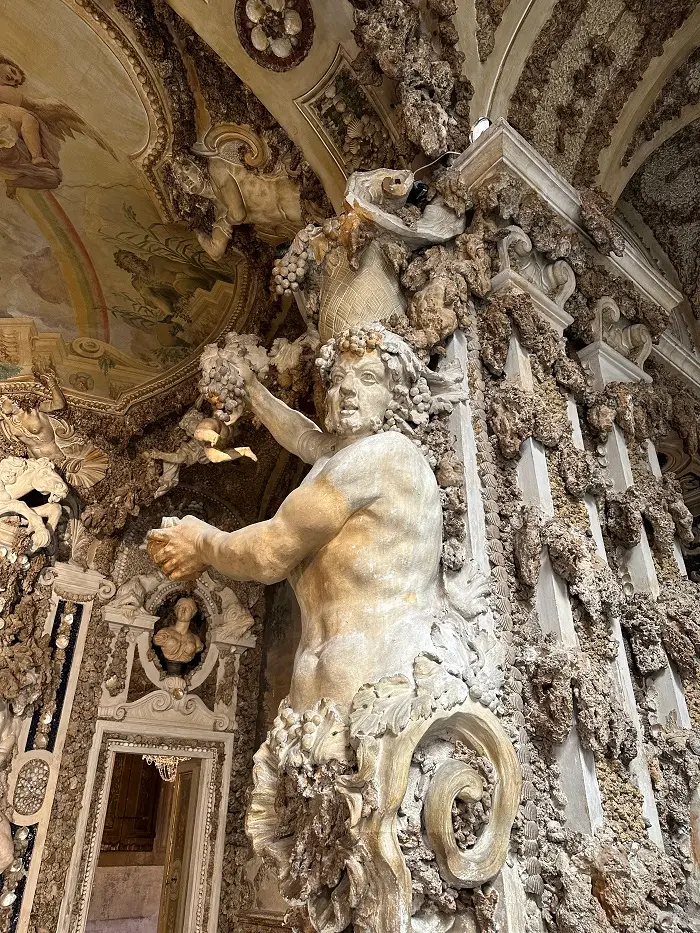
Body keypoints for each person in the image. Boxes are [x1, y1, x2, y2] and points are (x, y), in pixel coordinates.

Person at [147, 325, 443, 712]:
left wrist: (201, 541)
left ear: (397, 397)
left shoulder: (387, 455)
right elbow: (306, 439)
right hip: (316, 691)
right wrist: (252, 390)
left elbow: (270, 553)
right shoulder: (339, 459)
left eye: (368, 378)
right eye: (338, 379)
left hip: (377, 683)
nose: (347, 389)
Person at [0, 57, 50, 167]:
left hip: (4, 114)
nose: (12, 78)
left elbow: (22, 101)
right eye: (12, 71)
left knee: (29, 118)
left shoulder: (8, 92)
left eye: (15, 81)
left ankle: (36, 157)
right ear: (4, 63)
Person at [152, 596, 204, 664]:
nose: (183, 611)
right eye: (181, 608)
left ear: (192, 614)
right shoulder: (164, 633)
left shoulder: (196, 640)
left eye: (187, 609)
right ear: (176, 611)